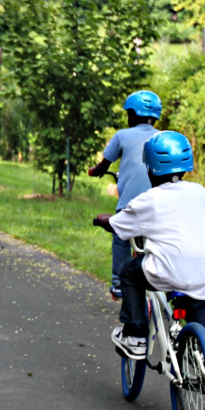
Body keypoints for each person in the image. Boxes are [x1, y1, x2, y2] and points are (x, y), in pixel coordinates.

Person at [93, 131, 205, 364]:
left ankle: (135, 336)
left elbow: (118, 224)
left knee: (129, 272)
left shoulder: (150, 199)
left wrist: (101, 219)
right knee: (195, 300)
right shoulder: (200, 192)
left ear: (150, 167)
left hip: (166, 271)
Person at [89, 90, 161, 298]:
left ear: (134, 115)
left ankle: (119, 284)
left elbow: (104, 165)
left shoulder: (122, 135)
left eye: (129, 113)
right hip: (158, 204)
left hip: (130, 204)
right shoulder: (161, 137)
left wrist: (95, 171)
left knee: (120, 236)